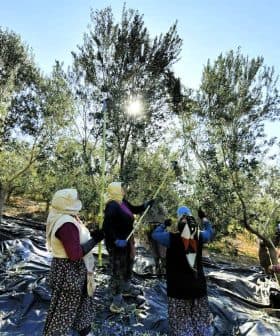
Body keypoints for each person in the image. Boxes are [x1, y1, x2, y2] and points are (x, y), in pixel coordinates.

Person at [43, 188, 104, 336]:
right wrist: (95, 239)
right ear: (66, 203)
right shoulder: (66, 224)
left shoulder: (64, 216)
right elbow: (75, 254)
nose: (77, 202)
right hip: (70, 272)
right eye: (73, 200)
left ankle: (83, 329)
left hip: (71, 269)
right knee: (64, 311)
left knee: (82, 303)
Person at [152, 206, 214, 336]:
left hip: (178, 290)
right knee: (200, 322)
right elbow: (210, 232)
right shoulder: (200, 237)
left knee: (182, 325)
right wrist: (204, 218)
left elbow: (155, 235)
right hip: (198, 288)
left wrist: (163, 225)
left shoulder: (171, 238)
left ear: (179, 223)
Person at [102, 181, 154, 313]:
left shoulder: (123, 202)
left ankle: (125, 288)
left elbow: (134, 209)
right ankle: (116, 303)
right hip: (117, 243)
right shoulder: (112, 205)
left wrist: (145, 205)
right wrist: (115, 240)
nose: (124, 190)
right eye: (122, 188)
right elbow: (106, 226)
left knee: (127, 265)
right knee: (118, 271)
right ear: (116, 190)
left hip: (126, 241)